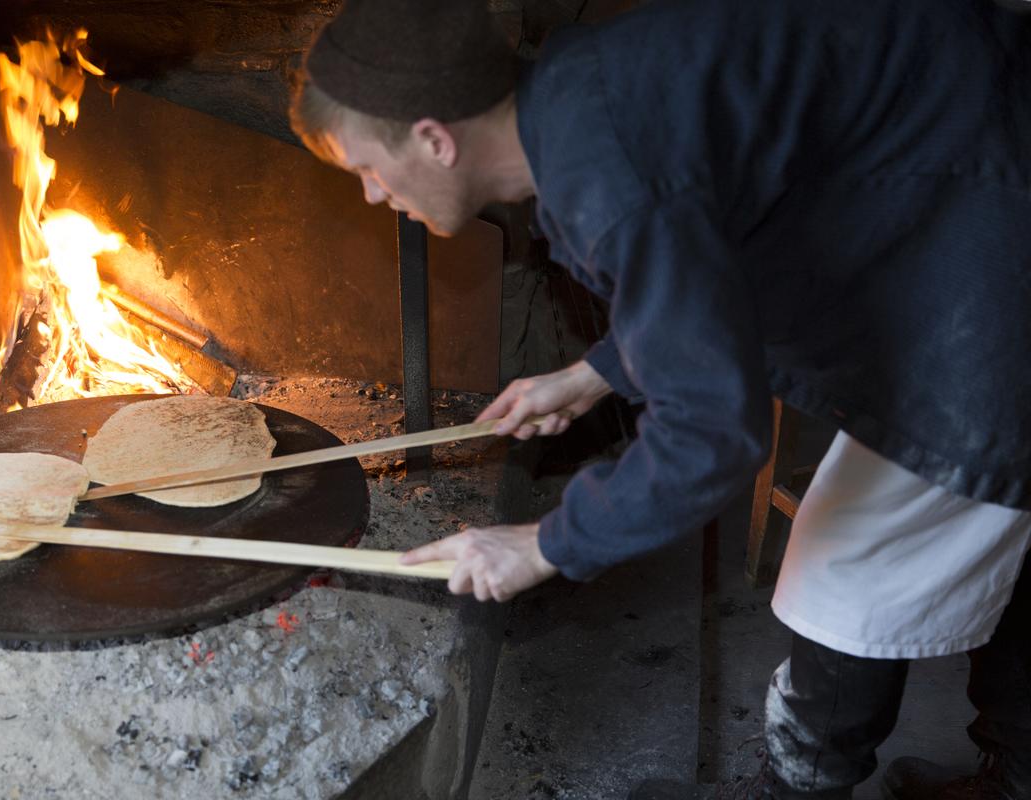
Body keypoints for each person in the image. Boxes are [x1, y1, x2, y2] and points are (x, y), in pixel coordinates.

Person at [288, 0, 1031, 797]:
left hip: (990, 230)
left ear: (435, 139)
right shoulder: (574, 94)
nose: (370, 195)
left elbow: (712, 431)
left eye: (368, 168)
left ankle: (804, 786)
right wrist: (597, 371)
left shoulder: (609, 179)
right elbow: (712, 245)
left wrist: (541, 545)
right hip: (969, 163)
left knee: (848, 567)